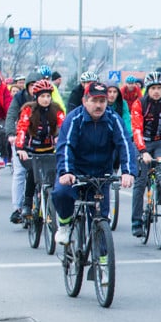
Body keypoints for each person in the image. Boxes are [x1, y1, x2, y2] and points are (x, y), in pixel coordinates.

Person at [52, 82, 135, 244]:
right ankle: (64, 224)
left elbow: (125, 144)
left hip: (100, 174)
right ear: (85, 101)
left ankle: (103, 262)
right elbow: (65, 146)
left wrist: (128, 171)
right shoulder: (74, 119)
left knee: (100, 220)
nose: (98, 105)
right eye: (94, 100)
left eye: (102, 101)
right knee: (61, 193)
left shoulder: (113, 119)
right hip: (75, 172)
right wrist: (66, 171)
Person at [130, 71, 161, 238]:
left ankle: (160, 198)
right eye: (153, 88)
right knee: (141, 179)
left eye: (159, 88)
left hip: (160, 141)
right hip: (142, 142)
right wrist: (143, 151)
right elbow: (136, 129)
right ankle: (136, 221)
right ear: (147, 89)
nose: (156, 91)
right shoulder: (139, 104)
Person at [15, 79, 65, 219]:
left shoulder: (57, 110)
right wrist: (20, 148)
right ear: (36, 97)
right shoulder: (28, 110)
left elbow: (64, 128)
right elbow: (21, 129)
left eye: (48, 96)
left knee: (55, 175)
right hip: (30, 150)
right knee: (32, 173)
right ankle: (27, 203)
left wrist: (60, 139)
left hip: (49, 149)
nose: (45, 99)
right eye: (42, 96)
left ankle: (54, 204)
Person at [6, 72, 41, 224]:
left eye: (37, 85)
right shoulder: (19, 98)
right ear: (27, 86)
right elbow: (11, 115)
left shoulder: (48, 100)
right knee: (20, 172)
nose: (35, 88)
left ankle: (47, 206)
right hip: (22, 138)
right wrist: (11, 133)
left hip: (42, 141)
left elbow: (58, 120)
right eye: (32, 85)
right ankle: (18, 208)